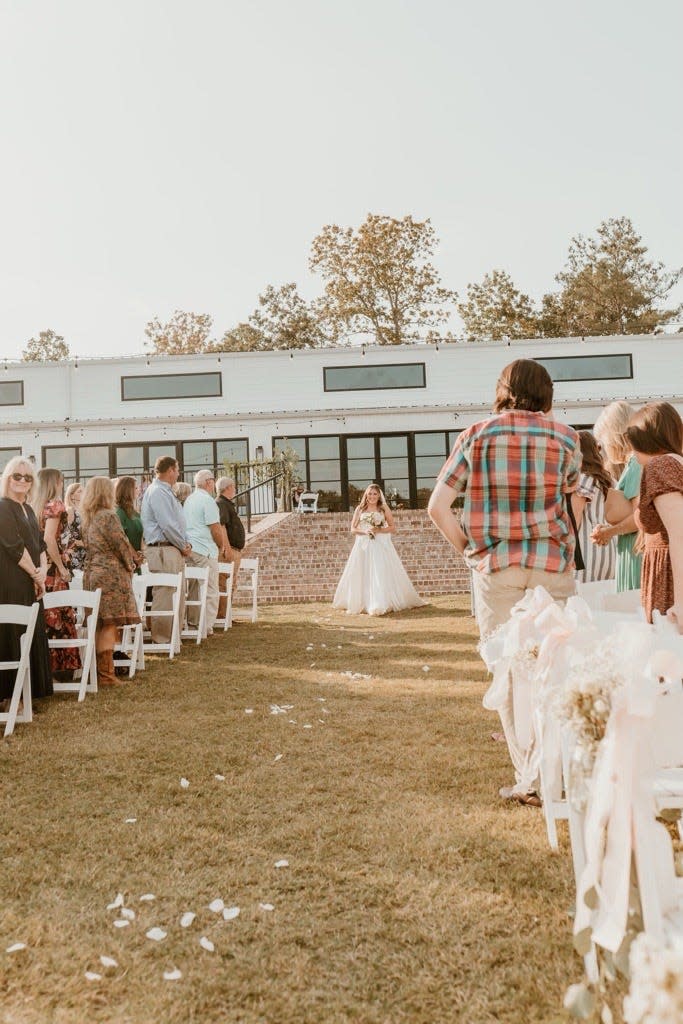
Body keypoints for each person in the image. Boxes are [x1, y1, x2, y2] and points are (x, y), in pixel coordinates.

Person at [428, 359, 580, 806]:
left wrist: (470, 552)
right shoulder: (567, 437)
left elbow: (438, 507)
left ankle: (529, 780)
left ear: (503, 390)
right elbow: (572, 497)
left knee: (512, 673)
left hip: (497, 569)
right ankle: (562, 769)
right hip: (552, 567)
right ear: (546, 393)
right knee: (558, 668)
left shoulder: (475, 435)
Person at [620, 402, 683, 627]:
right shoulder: (676, 463)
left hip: (671, 579)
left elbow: (679, 533)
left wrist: (681, 602)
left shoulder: (660, 466)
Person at [0, 457, 52, 705]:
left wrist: (42, 572)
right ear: (7, 478)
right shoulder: (2, 507)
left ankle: (29, 690)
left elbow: (39, 544)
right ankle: (11, 694)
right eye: (16, 476)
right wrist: (35, 574)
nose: (21, 481)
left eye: (27, 477)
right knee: (13, 632)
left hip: (32, 578)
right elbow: (14, 547)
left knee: (31, 631)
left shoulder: (29, 509)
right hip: (11, 580)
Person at [81, 476, 140, 685]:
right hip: (110, 575)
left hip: (92, 573)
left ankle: (97, 671)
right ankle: (106, 674)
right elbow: (121, 544)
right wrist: (130, 565)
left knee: (98, 623)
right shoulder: (108, 516)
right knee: (110, 622)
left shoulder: (88, 517)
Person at [333, 483, 425, 615]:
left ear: (379, 495)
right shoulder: (360, 509)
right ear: (366, 495)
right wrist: (366, 532)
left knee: (379, 571)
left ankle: (380, 601)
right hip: (363, 545)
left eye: (375, 494)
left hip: (379, 544)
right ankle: (361, 601)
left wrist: (378, 529)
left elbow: (393, 527)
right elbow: (353, 529)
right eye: (370, 493)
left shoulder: (383, 508)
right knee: (361, 572)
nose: (372, 496)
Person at [33, 467, 80, 679]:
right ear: (55, 483)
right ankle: (60, 668)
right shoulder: (54, 505)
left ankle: (41, 667)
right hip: (52, 568)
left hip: (37, 567)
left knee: (43, 614)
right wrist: (61, 567)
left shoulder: (33, 506)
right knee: (58, 614)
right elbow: (49, 539)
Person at [140, 456, 191, 647]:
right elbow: (167, 525)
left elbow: (179, 522)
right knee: (165, 592)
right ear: (170, 470)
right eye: (177, 469)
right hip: (163, 548)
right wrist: (182, 545)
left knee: (176, 591)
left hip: (173, 547)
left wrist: (187, 542)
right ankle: (162, 638)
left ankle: (173, 636)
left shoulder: (166, 492)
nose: (178, 473)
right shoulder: (157, 493)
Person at [591, 400, 642, 592]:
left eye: (603, 441)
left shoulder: (637, 463)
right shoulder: (634, 463)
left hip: (636, 550)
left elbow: (641, 515)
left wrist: (610, 532)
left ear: (614, 436)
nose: (603, 448)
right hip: (631, 547)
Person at [571, 431, 617, 584]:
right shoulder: (610, 480)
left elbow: (574, 518)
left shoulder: (582, 479)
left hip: (586, 554)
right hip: (610, 552)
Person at [183, 470, 222, 636]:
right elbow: (215, 527)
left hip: (190, 549)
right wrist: (221, 546)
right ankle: (206, 626)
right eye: (213, 480)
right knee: (210, 589)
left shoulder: (189, 500)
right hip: (204, 549)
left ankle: (193, 623)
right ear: (209, 482)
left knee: (192, 589)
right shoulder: (208, 500)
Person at [216, 476, 244, 597]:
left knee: (231, 584)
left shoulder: (226, 503)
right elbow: (222, 526)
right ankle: (222, 615)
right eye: (233, 487)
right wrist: (227, 549)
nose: (235, 489)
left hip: (234, 549)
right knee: (223, 584)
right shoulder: (221, 503)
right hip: (229, 550)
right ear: (228, 488)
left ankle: (227, 614)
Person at [115, 476, 144, 570]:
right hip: (127, 561)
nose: (138, 490)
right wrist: (135, 556)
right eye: (135, 488)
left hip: (138, 559)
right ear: (127, 490)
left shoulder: (134, 512)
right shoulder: (119, 512)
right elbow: (122, 538)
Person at [62, 482, 86, 574]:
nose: (83, 493)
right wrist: (77, 542)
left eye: (84, 491)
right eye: (80, 491)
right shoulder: (70, 510)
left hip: (85, 552)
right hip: (75, 553)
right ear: (71, 495)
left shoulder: (84, 511)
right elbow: (64, 533)